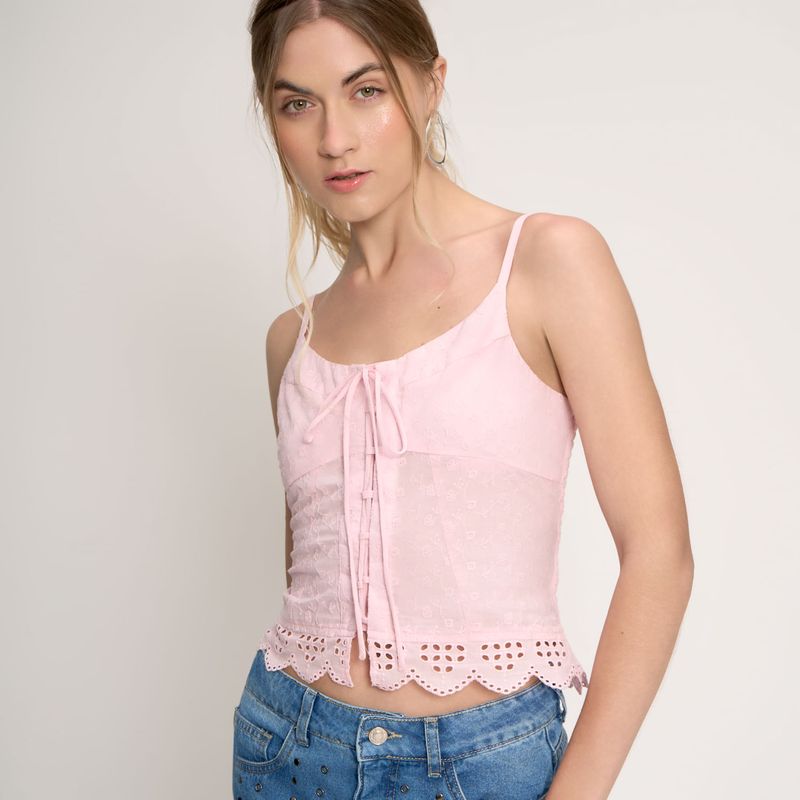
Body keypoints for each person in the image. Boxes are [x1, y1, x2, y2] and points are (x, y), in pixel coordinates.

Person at [233, 2, 694, 798]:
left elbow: (660, 553)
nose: (335, 138)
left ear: (430, 84)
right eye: (297, 103)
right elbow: (316, 580)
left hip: (484, 763)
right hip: (287, 748)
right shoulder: (292, 341)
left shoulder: (547, 261)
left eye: (367, 90)